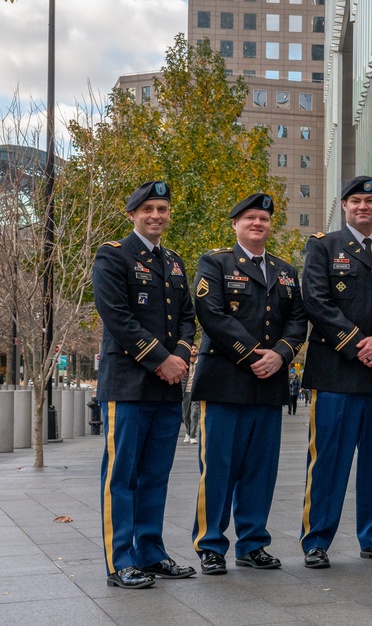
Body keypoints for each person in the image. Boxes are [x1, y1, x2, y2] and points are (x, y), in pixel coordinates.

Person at [299, 175, 372, 568]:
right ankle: (316, 541)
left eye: (369, 200)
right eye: (355, 201)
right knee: (328, 461)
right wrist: (356, 343)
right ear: (344, 206)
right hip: (335, 372)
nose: (362, 206)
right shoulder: (323, 246)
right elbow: (315, 300)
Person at [190, 192, 308, 575]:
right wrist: (256, 354)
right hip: (226, 380)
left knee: (261, 469)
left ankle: (253, 542)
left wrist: (282, 354)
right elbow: (212, 315)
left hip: (269, 383)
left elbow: (297, 321)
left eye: (264, 219)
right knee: (219, 467)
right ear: (235, 224)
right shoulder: (216, 262)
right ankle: (210, 545)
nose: (258, 224)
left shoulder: (285, 270)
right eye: (250, 218)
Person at [92, 180, 197, 589]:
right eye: (148, 209)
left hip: (166, 386)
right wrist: (161, 360)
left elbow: (187, 316)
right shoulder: (113, 256)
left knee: (156, 474)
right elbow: (117, 317)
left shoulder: (173, 261)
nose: (157, 215)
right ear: (132, 214)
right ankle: (120, 561)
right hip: (128, 385)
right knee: (122, 475)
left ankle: (150, 552)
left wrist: (183, 355)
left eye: (163, 209)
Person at [181, 348, 200, 444]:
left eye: (195, 349)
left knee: (194, 414)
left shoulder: (200, 363)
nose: (193, 350)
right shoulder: (184, 362)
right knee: (185, 414)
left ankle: (192, 435)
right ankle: (188, 433)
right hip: (185, 391)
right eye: (192, 349)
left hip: (196, 391)